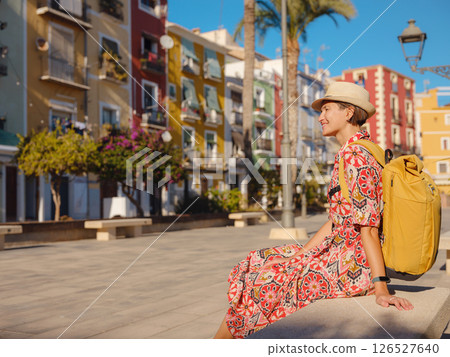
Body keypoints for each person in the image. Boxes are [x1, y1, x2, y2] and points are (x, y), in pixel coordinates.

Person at [214, 82, 413, 339]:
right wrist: (298, 257)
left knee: (263, 283)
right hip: (340, 251)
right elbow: (336, 222)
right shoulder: (359, 150)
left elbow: (369, 229)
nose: (321, 117)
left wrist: (380, 286)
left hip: (351, 265)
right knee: (258, 261)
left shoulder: (356, 157)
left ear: (349, 112)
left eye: (327, 109)